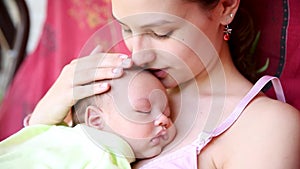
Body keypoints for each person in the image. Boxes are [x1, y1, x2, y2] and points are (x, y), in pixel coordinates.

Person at [28, 0, 300, 168]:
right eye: (125, 28)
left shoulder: (265, 128)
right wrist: (41, 124)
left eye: (160, 33)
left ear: (226, 6)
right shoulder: (113, 95)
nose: (138, 53)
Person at [0, 70, 176, 168]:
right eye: (143, 111)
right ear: (96, 120)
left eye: (167, 112)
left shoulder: (54, 132)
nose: (163, 119)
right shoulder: (106, 156)